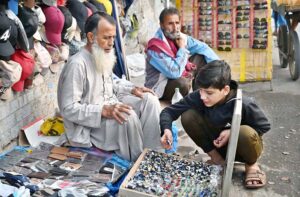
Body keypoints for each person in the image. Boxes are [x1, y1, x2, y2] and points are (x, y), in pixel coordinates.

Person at [57, 12, 162, 161]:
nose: (111, 43)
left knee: (149, 100)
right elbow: (68, 109)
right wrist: (102, 111)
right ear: (91, 37)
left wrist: (131, 89)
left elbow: (111, 83)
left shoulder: (101, 54)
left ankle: (152, 156)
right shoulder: (77, 65)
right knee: (127, 116)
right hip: (88, 125)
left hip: (109, 106)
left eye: (113, 37)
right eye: (106, 38)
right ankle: (135, 162)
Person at [160, 60, 270, 189]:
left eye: (209, 93)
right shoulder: (200, 96)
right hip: (217, 146)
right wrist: (166, 129)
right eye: (201, 90)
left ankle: (251, 165)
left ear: (225, 90)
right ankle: (217, 159)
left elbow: (264, 126)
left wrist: (232, 132)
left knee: (245, 132)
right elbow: (168, 112)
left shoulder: (244, 103)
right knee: (188, 115)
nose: (202, 96)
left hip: (244, 149)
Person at [144, 7, 219, 101]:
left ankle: (200, 97)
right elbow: (174, 73)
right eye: (170, 24)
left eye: (177, 23)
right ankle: (191, 98)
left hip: (180, 74)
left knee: (202, 57)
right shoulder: (155, 47)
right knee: (182, 84)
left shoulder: (178, 36)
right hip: (160, 86)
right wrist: (182, 48)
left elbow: (203, 47)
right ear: (162, 25)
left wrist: (219, 68)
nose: (175, 28)